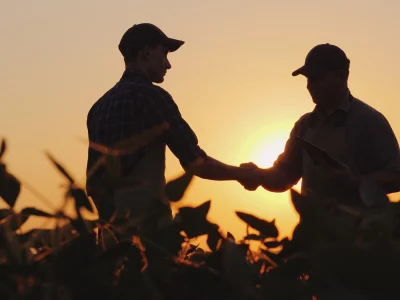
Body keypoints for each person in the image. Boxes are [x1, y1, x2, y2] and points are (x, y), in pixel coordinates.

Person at [85, 23, 255, 222]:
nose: (168, 64)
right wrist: (243, 173)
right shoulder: (152, 97)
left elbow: (93, 184)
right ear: (146, 52)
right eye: (164, 54)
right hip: (150, 236)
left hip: (110, 241)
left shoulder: (97, 108)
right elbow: (196, 163)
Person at [240, 43, 400, 206]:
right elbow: (283, 178)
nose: (310, 85)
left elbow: (396, 175)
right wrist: (257, 175)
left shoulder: (370, 120)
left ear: (341, 77)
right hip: (313, 229)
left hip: (359, 229)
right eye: (309, 79)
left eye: (317, 78)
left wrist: (355, 183)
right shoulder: (304, 125)